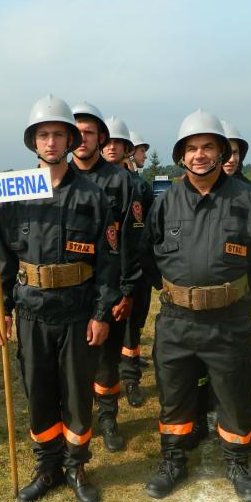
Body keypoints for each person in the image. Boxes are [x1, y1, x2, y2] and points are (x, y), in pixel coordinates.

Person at [141, 111, 251, 502]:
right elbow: (146, 256)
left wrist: (236, 290)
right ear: (181, 156)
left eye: (207, 146)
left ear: (222, 152)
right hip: (176, 321)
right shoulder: (165, 202)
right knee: (174, 395)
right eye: (191, 148)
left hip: (228, 321)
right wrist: (176, 292)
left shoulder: (246, 198)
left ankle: (238, 465)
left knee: (234, 395)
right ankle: (173, 461)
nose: (199, 154)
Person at [0, 94, 119, 502]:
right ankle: (47, 467)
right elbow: (2, 261)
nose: (51, 142)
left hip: (78, 313)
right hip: (31, 313)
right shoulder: (13, 195)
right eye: (43, 135)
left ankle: (76, 466)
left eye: (58, 135)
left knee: (77, 395)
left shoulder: (92, 196)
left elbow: (109, 263)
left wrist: (101, 314)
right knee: (39, 392)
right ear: (33, 141)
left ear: (70, 140)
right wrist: (1, 312)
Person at [70, 102, 141, 452]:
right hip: (68, 291)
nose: (82, 138)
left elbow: (132, 241)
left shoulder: (121, 181)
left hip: (108, 287)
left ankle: (109, 418)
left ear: (101, 137)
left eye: (89, 132)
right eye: (77, 132)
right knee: (71, 363)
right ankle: (76, 419)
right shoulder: (55, 177)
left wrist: (126, 291)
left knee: (106, 361)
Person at [101, 116, 152, 408]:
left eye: (118, 143)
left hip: (134, 270)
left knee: (132, 330)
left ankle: (131, 380)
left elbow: (146, 231)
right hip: (102, 273)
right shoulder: (88, 182)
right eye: (107, 142)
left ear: (126, 149)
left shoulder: (139, 187)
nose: (111, 148)